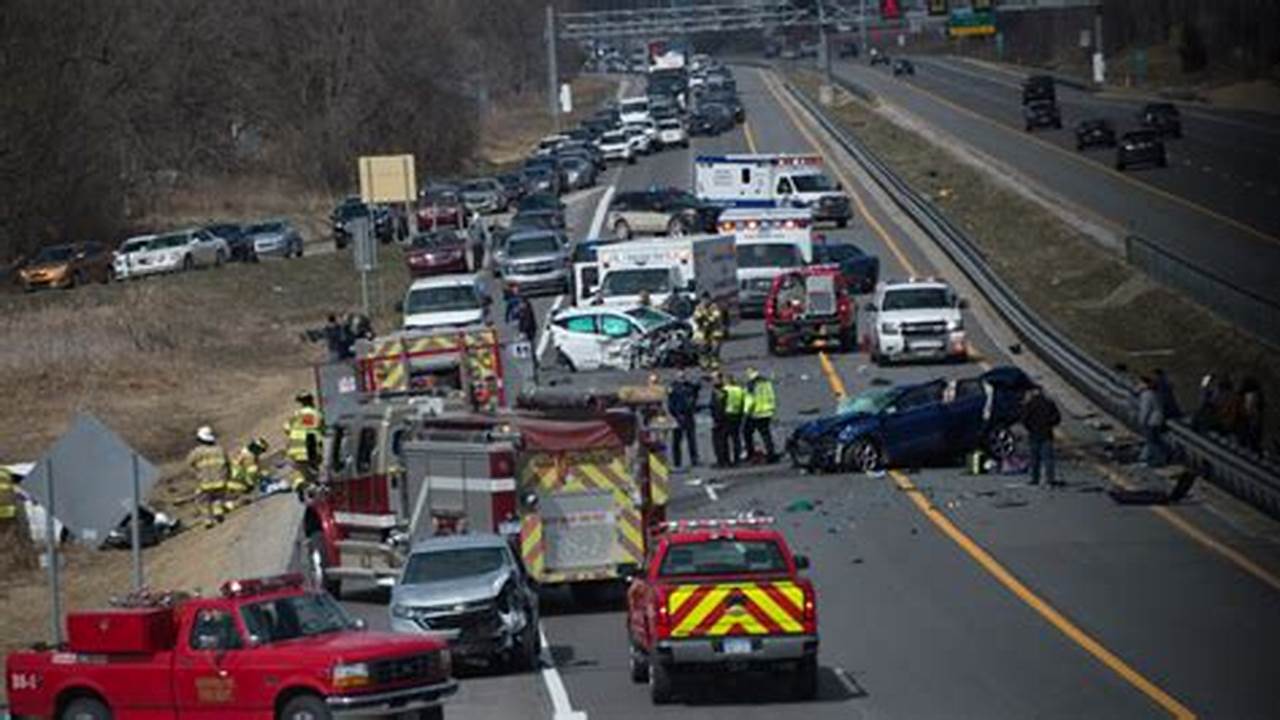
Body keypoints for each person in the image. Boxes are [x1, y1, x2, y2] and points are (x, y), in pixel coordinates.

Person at [187, 426, 231, 528]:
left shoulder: (196, 452)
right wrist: (227, 476)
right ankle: (218, 511)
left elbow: (189, 464)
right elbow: (228, 464)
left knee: (203, 502)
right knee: (218, 497)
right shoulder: (220, 450)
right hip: (220, 481)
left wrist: (197, 474)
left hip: (204, 482)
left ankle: (208, 521)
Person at [285, 392, 325, 499]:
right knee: (312, 471)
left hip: (295, 448)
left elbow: (286, 429)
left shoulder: (296, 414)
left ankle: (301, 486)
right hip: (310, 447)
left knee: (298, 471)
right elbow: (322, 430)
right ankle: (313, 490)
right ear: (312, 400)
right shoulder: (317, 414)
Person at [1020, 386, 1062, 486]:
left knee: (1034, 459)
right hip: (1046, 434)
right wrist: (1049, 424)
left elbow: (1024, 420)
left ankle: (1035, 479)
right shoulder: (1049, 403)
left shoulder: (1029, 405)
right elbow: (1057, 418)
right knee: (1048, 459)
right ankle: (1049, 480)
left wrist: (1030, 428)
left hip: (1034, 434)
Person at [667, 370, 700, 469]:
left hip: (689, 415)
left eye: (683, 376)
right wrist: (675, 414)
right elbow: (670, 403)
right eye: (680, 377)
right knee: (677, 440)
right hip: (679, 416)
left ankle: (694, 459)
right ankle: (677, 461)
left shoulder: (689, 386)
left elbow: (696, 391)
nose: (682, 378)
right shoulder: (673, 387)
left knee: (692, 439)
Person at [743, 367, 777, 463]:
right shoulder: (766, 382)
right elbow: (771, 396)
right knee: (766, 434)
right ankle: (771, 454)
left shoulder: (751, 384)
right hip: (767, 411)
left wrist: (746, 412)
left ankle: (751, 453)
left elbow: (750, 400)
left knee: (747, 433)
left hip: (756, 413)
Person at [1136, 374, 1167, 467]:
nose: (1138, 385)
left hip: (1151, 421)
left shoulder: (1146, 395)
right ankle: (1149, 458)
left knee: (1152, 441)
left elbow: (1145, 410)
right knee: (1155, 440)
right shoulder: (1154, 393)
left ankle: (1157, 460)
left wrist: (1141, 421)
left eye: (1139, 383)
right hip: (1158, 420)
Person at [229, 437, 270, 506]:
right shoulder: (249, 456)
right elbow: (251, 471)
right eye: (261, 450)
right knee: (255, 470)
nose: (261, 453)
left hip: (236, 477)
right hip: (237, 480)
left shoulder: (246, 452)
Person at [692, 293, 725, 371]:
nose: (705, 301)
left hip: (714, 330)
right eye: (703, 300)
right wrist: (700, 318)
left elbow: (716, 316)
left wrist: (707, 320)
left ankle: (715, 364)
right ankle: (704, 364)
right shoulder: (699, 307)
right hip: (703, 330)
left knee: (715, 348)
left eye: (706, 300)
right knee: (702, 348)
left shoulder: (714, 307)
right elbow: (696, 317)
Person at [723, 373, 747, 466]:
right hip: (738, 415)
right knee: (736, 438)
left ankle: (728, 459)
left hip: (728, 414)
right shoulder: (739, 390)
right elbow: (743, 401)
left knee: (725, 438)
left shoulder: (725, 390)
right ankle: (737, 457)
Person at [709, 372, 730, 468]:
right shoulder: (723, 391)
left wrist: (716, 421)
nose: (712, 381)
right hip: (725, 419)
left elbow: (718, 407)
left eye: (714, 378)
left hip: (720, 420)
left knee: (719, 442)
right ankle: (725, 460)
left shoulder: (718, 392)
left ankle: (721, 461)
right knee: (724, 441)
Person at [1239, 377, 1265, 453]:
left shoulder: (1252, 396)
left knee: (1251, 436)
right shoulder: (1254, 395)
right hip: (1251, 421)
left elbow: (1250, 410)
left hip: (1250, 422)